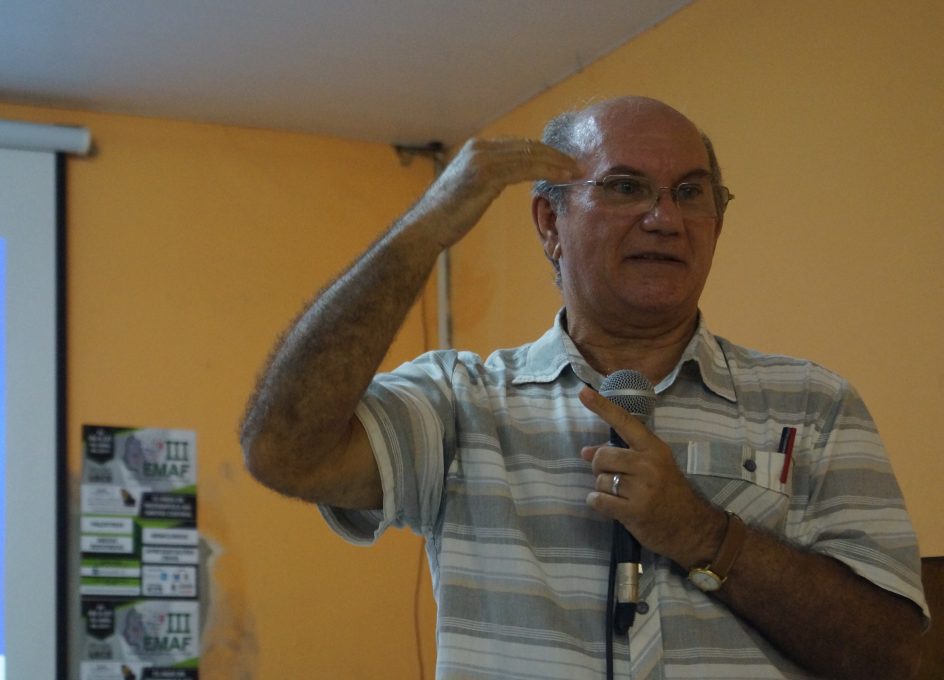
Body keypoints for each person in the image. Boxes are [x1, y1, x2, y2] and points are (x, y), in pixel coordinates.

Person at [240, 96, 929, 679]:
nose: (665, 217)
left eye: (690, 192)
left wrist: (704, 535)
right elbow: (285, 452)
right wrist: (423, 232)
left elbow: (903, 659)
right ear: (549, 223)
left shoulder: (814, 404)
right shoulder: (462, 401)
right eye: (626, 186)